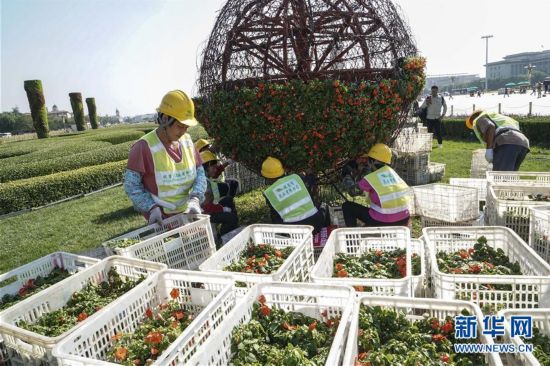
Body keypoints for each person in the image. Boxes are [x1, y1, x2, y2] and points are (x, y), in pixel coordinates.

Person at [124, 90, 206, 225]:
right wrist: (151, 207)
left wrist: (196, 198)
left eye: (186, 127)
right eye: (180, 126)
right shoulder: (143, 147)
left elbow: (200, 172)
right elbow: (131, 185)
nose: (183, 132)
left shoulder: (187, 141)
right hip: (162, 220)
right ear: (164, 119)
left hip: (189, 215)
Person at [342, 144, 410, 228]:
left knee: (347, 207)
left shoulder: (371, 178)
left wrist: (346, 176)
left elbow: (352, 191)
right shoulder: (393, 173)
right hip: (404, 219)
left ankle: (352, 237)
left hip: (385, 221)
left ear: (371, 161)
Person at [261, 157, 326, 234]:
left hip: (293, 231)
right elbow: (308, 177)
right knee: (322, 207)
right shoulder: (296, 178)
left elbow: (276, 218)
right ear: (283, 170)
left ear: (265, 177)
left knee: (275, 214)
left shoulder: (269, 193)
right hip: (316, 225)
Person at [466, 110, 530, 171]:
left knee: (500, 177)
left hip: (507, 141)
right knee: (510, 178)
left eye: (472, 123)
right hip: (523, 143)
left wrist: (489, 150)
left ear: (474, 117)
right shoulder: (498, 118)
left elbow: (490, 126)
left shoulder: (480, 118)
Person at [200, 151, 239, 239]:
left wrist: (230, 161)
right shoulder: (203, 183)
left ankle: (232, 228)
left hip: (209, 209)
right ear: (205, 167)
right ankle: (225, 238)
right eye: (213, 167)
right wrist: (222, 209)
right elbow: (206, 207)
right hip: (204, 214)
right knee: (231, 218)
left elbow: (217, 171)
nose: (215, 169)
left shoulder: (205, 177)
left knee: (228, 200)